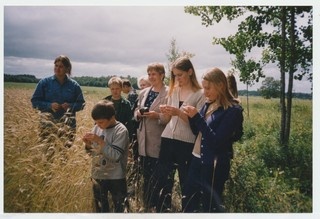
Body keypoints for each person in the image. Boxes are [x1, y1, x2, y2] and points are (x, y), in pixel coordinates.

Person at [182, 67, 244, 212]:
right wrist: (192, 117)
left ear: (221, 85)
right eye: (203, 88)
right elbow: (197, 132)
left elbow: (216, 142)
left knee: (209, 206)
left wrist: (197, 117)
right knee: (188, 201)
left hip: (213, 165)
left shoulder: (233, 111)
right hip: (196, 159)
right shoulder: (208, 103)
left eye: (208, 88)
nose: (205, 92)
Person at [152, 56, 205, 212]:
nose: (177, 78)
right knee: (163, 181)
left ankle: (188, 212)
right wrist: (163, 113)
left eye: (180, 75)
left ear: (190, 72)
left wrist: (178, 112)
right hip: (168, 139)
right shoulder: (174, 91)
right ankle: (163, 211)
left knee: (187, 183)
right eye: (174, 75)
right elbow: (168, 119)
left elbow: (198, 125)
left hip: (187, 142)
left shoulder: (200, 94)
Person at [83, 100, 129, 213]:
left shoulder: (121, 130)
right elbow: (93, 153)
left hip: (116, 177)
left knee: (119, 207)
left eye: (101, 122)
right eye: (96, 122)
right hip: (98, 174)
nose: (98, 125)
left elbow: (115, 156)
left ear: (112, 117)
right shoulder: (97, 127)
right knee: (100, 208)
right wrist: (88, 145)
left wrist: (99, 140)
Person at [134, 63, 168, 211]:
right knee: (146, 176)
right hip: (143, 142)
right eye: (149, 74)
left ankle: (159, 207)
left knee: (159, 177)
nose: (151, 77)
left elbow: (170, 117)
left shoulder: (169, 93)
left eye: (154, 74)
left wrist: (157, 116)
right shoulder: (144, 92)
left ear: (162, 75)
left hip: (159, 140)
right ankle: (147, 205)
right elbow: (135, 110)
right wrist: (138, 114)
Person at [31, 55, 85, 148]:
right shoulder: (44, 83)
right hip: (47, 127)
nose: (57, 68)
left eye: (61, 66)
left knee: (64, 156)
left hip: (68, 127)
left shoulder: (74, 86)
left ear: (67, 69)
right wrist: (49, 105)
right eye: (56, 65)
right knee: (47, 155)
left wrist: (70, 106)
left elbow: (82, 104)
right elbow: (34, 101)